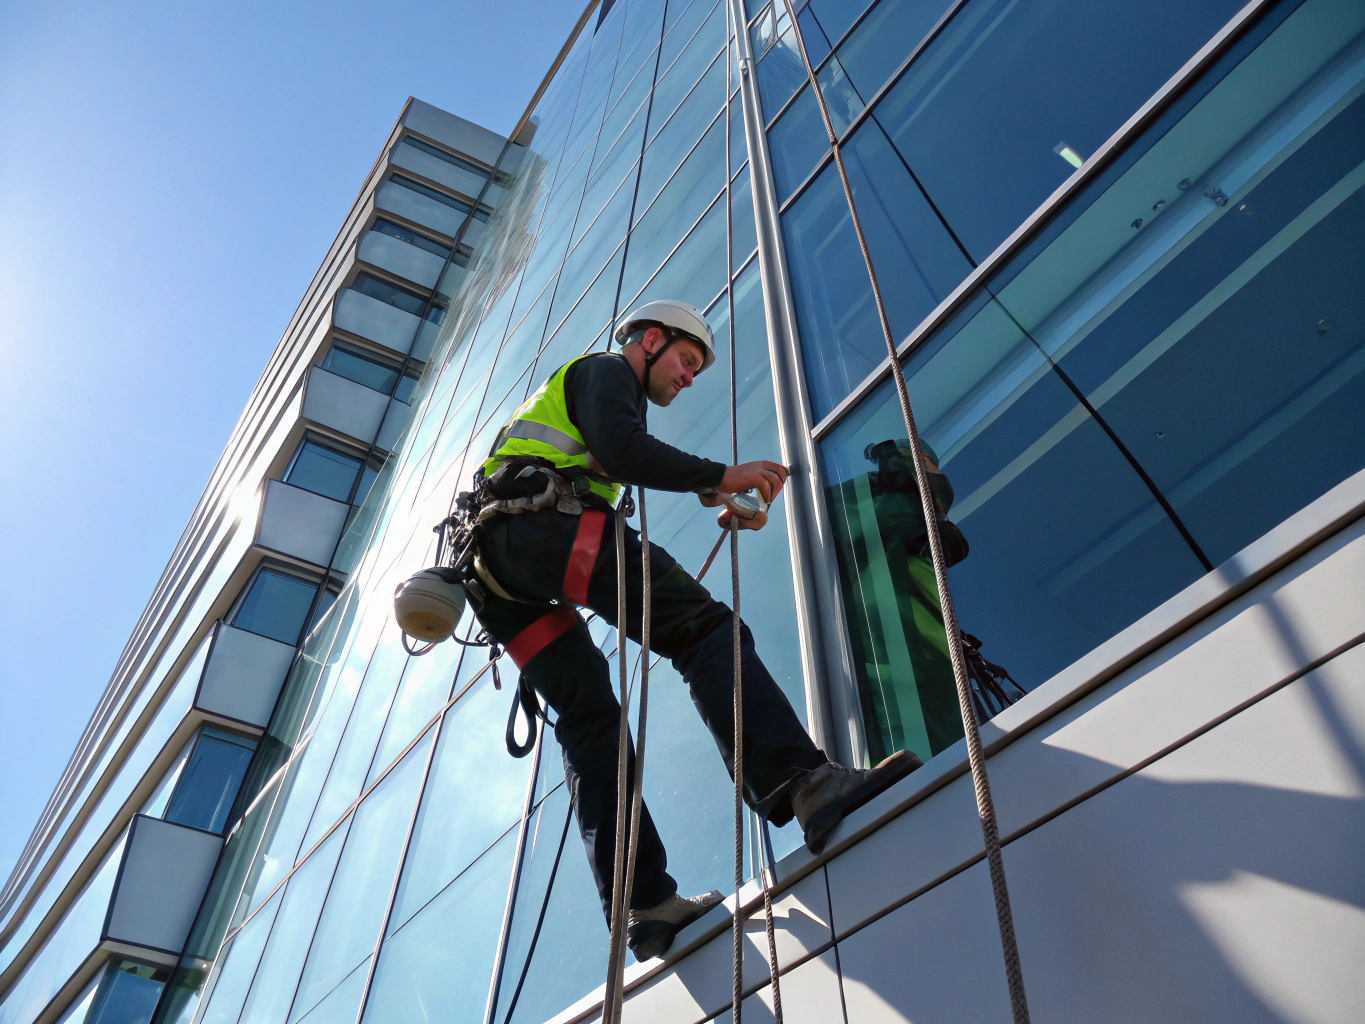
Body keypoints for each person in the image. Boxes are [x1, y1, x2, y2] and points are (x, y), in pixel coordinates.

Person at [464, 299, 920, 961]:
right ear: (648, 340)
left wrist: (715, 493)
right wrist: (719, 476)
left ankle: (641, 904)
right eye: (685, 360)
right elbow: (623, 448)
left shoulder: (573, 403)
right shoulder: (604, 372)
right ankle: (806, 782)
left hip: (498, 580)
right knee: (701, 629)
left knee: (589, 718)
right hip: (546, 529)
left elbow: (618, 455)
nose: (687, 377)